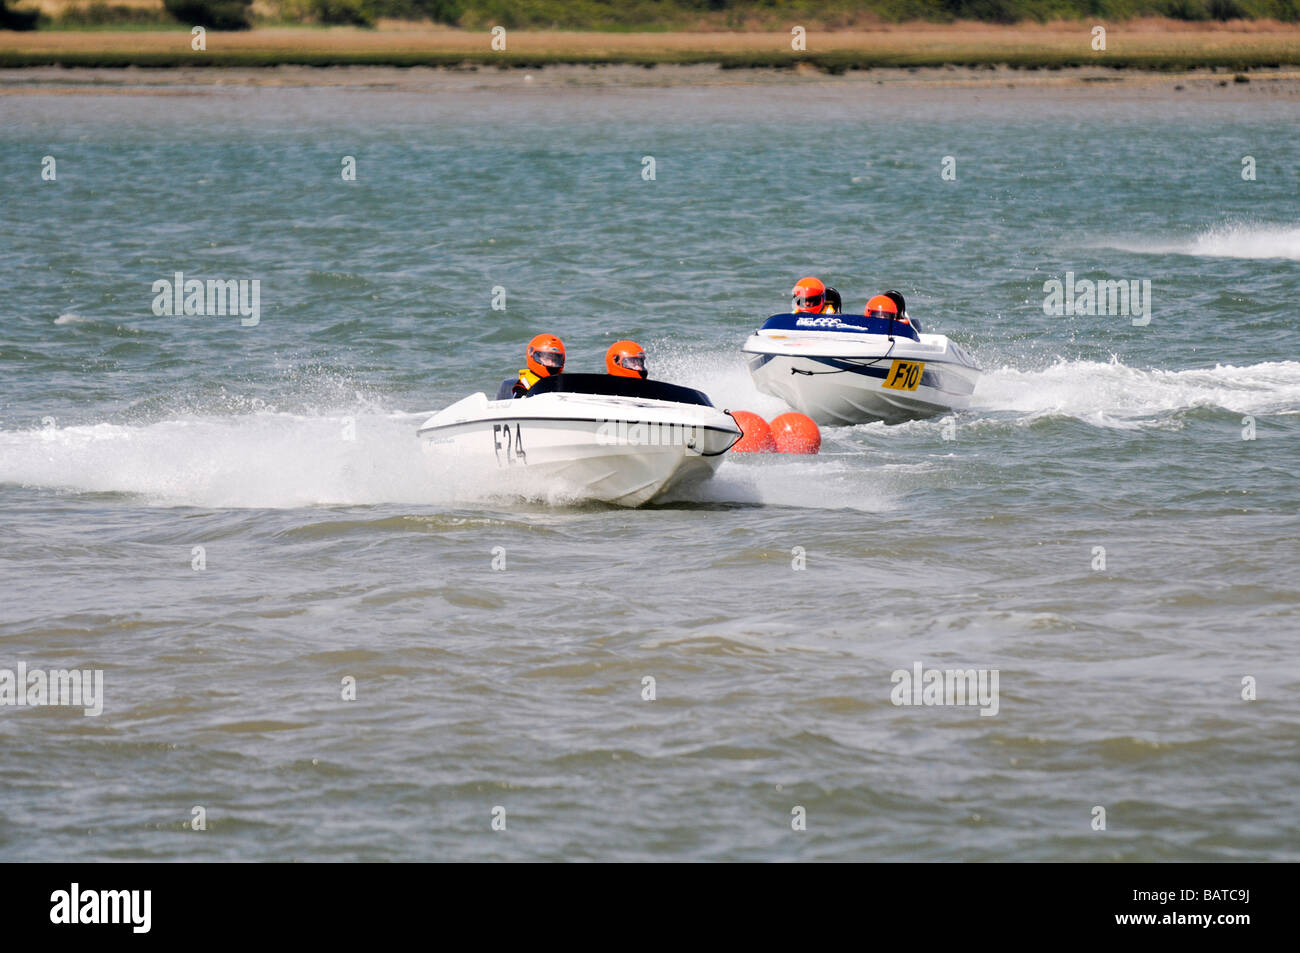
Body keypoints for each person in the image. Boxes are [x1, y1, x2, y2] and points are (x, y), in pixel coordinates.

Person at [496, 333, 565, 399]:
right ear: (532, 355)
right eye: (547, 358)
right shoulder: (522, 386)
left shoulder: (561, 383)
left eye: (555, 360)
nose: (551, 363)